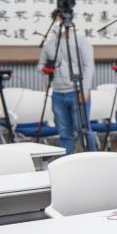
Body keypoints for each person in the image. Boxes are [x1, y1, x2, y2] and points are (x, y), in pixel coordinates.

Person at [37, 16, 97, 153]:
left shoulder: (80, 41)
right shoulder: (49, 44)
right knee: (64, 133)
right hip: (58, 94)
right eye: (56, 20)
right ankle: (66, 163)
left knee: (84, 130)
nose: (59, 23)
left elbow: (89, 65)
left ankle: (94, 158)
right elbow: (40, 66)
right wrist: (46, 68)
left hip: (77, 91)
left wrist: (86, 89)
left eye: (61, 20)